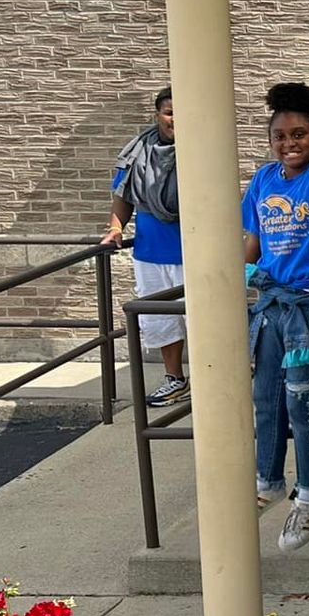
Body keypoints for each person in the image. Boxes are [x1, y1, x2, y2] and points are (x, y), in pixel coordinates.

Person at [242, 82, 309, 550]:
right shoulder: (263, 180)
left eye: (299, 134)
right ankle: (268, 479)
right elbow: (253, 241)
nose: (289, 143)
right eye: (280, 136)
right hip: (271, 306)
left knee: (303, 403)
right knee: (266, 398)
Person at [103, 86, 188, 407]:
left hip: (194, 254)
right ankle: (175, 379)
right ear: (158, 115)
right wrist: (115, 229)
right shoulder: (139, 151)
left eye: (182, 111)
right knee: (159, 319)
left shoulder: (202, 150)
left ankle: (215, 381)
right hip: (150, 253)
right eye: (169, 112)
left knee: (205, 321)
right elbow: (123, 195)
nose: (175, 119)